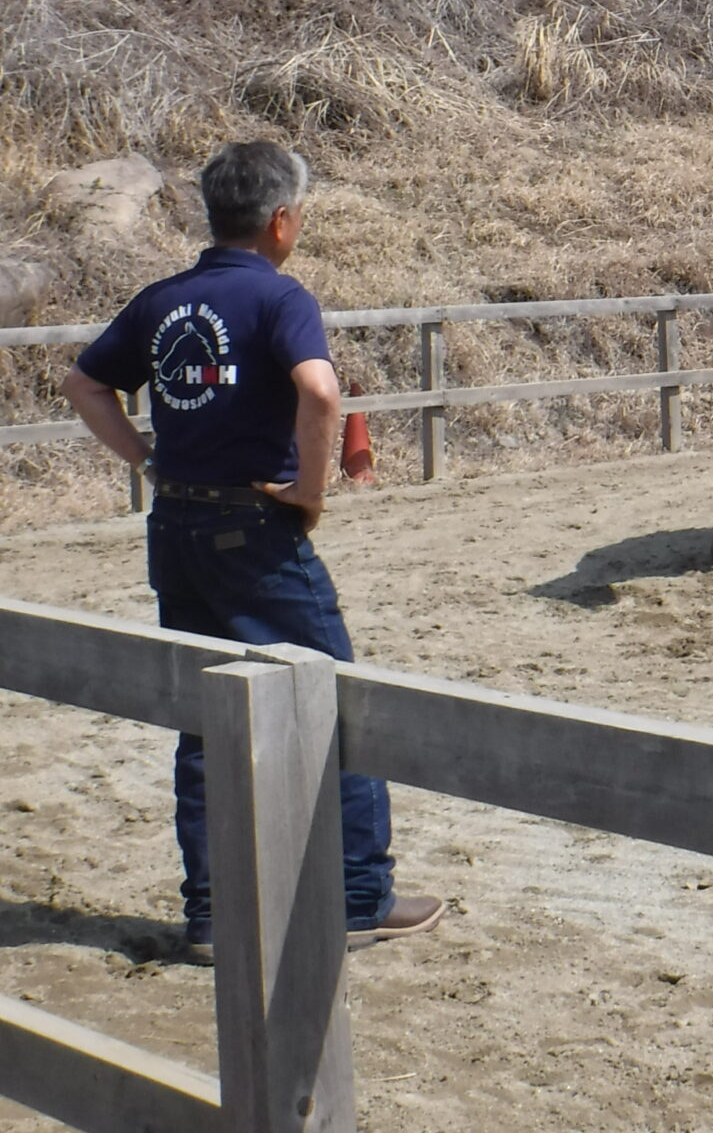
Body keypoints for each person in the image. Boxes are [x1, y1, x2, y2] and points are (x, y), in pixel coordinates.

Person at [63, 141, 441, 964]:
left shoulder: (163, 300)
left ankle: (212, 915)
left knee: (205, 722)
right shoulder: (280, 298)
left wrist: (145, 458)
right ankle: (358, 897)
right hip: (255, 530)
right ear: (281, 220)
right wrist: (311, 490)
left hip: (176, 530)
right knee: (337, 703)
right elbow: (320, 390)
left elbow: (85, 384)